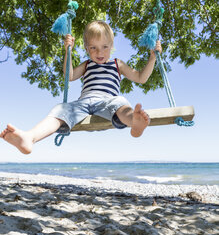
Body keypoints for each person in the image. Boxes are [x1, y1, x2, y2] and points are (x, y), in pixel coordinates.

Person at [0, 20, 162, 154]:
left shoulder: (117, 64)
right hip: (83, 103)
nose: (100, 52)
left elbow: (141, 78)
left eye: (105, 47)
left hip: (108, 102)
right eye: (93, 48)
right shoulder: (87, 64)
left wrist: (152, 59)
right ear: (86, 48)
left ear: (111, 46)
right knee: (61, 109)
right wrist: (67, 52)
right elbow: (68, 76)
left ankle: (135, 125)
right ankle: (29, 138)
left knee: (120, 101)